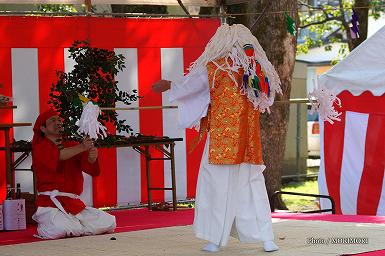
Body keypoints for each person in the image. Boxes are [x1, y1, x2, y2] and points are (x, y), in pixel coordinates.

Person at [152, 24, 281, 252]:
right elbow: (267, 99)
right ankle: (265, 237)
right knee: (251, 185)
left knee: (217, 186)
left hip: (221, 141)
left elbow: (189, 87)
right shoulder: (257, 71)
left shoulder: (215, 68)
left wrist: (169, 85)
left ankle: (215, 238)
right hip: (248, 142)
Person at [31, 109, 116, 239]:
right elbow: (60, 156)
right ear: (42, 128)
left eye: (59, 119)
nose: (58, 122)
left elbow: (91, 169)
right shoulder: (40, 146)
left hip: (73, 203)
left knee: (109, 222)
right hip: (49, 203)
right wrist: (82, 147)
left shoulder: (71, 144)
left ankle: (76, 227)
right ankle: (53, 226)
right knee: (61, 229)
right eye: (52, 120)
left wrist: (91, 158)